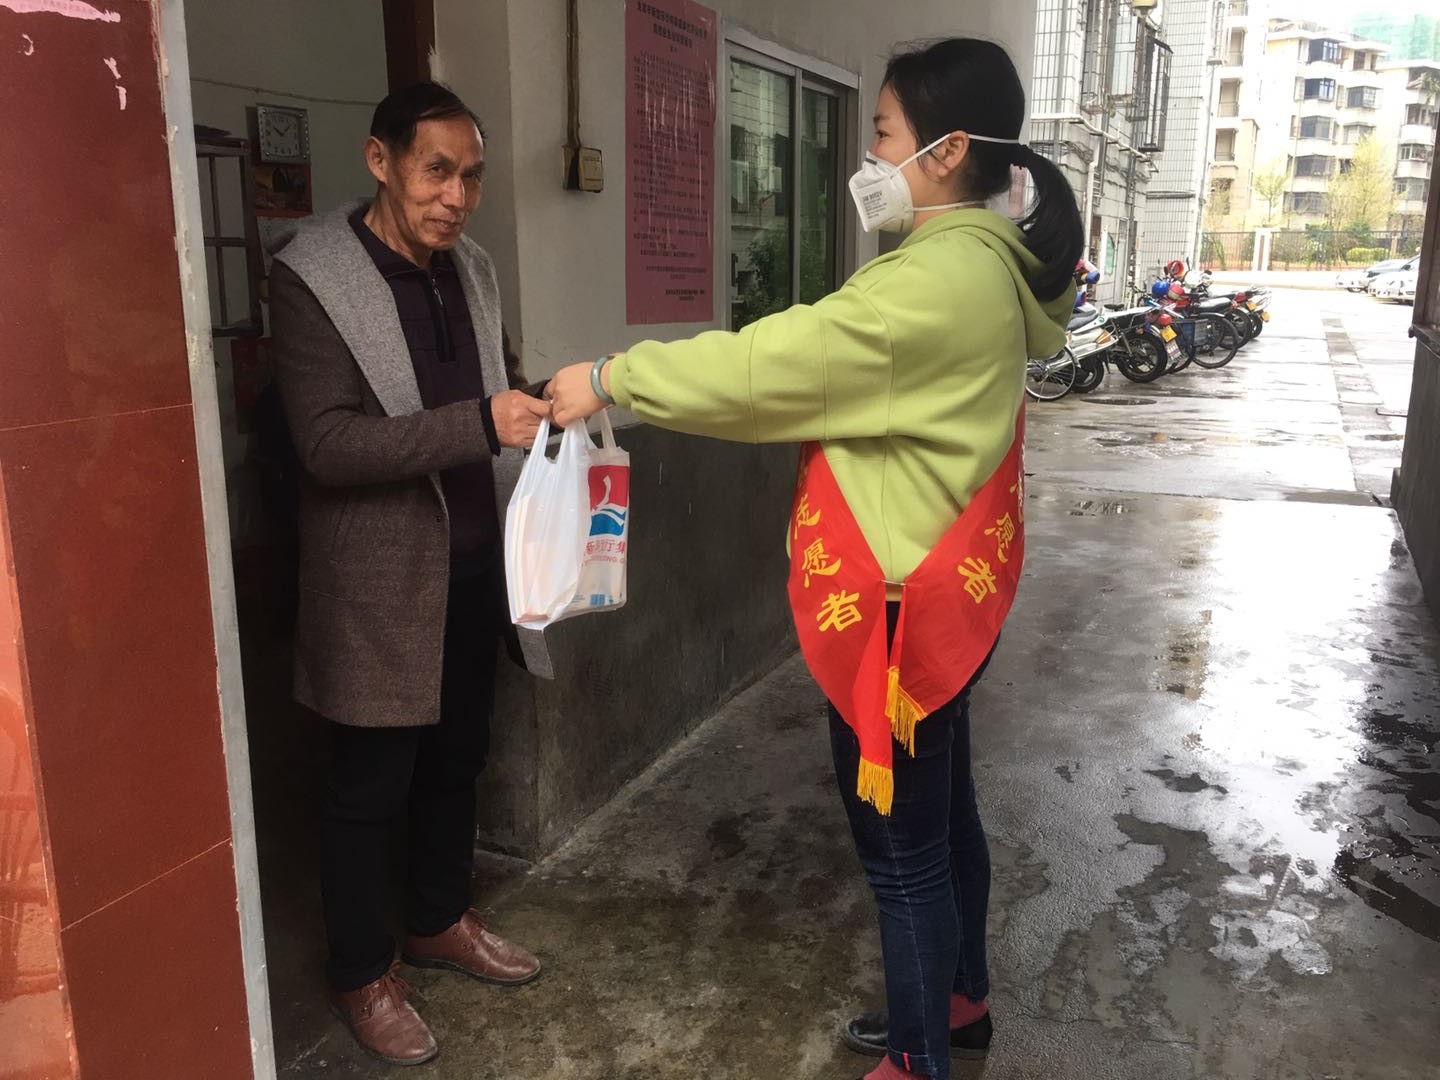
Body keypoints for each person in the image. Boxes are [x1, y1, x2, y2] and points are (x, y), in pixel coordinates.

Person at [551, 38, 1081, 1080]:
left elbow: (767, 364)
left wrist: (610, 377)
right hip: (942, 593)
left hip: (896, 615)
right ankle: (958, 1005)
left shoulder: (932, 283)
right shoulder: (986, 262)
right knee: (946, 820)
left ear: (947, 149)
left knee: (903, 855)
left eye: (882, 132)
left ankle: (920, 1059)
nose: (869, 154)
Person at [270, 82, 550, 1066]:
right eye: (437, 171)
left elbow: (494, 385)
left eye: (472, 176)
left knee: (457, 759)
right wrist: (480, 423)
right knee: (367, 788)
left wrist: (542, 400)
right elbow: (327, 445)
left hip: (472, 565)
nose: (456, 197)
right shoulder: (311, 277)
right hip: (377, 584)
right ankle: (361, 972)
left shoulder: (470, 268)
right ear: (379, 160)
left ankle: (438, 920)